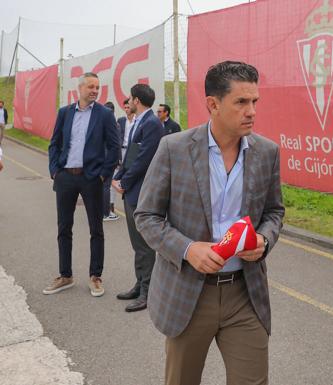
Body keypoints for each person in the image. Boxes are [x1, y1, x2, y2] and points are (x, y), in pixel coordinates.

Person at [134, 61, 284, 385]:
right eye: (241, 102)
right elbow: (145, 216)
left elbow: (274, 212)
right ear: (213, 104)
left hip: (245, 293)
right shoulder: (174, 149)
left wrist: (264, 240)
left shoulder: (267, 152)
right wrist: (188, 249)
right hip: (189, 293)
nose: (251, 111)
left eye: (255, 101)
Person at [45, 72, 120, 297]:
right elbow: (54, 143)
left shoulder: (105, 115)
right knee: (63, 228)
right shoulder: (65, 112)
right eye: (90, 86)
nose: (95, 91)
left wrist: (102, 176)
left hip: (91, 179)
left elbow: (114, 148)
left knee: (96, 229)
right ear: (80, 88)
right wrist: (55, 171)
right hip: (66, 176)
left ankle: (95, 276)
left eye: (97, 87)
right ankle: (65, 275)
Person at [112, 84, 164, 312]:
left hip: (141, 191)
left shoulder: (152, 124)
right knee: (136, 243)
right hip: (133, 189)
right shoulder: (140, 121)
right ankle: (139, 283)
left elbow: (143, 159)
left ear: (136, 100)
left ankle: (147, 291)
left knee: (143, 244)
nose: (129, 102)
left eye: (131, 99)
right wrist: (119, 176)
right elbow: (130, 156)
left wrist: (123, 182)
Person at [102, 101, 120, 221]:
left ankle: (100, 211)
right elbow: (116, 144)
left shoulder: (98, 123)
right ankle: (106, 213)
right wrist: (117, 159)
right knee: (106, 186)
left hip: (98, 158)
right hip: (108, 159)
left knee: (100, 186)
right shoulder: (115, 125)